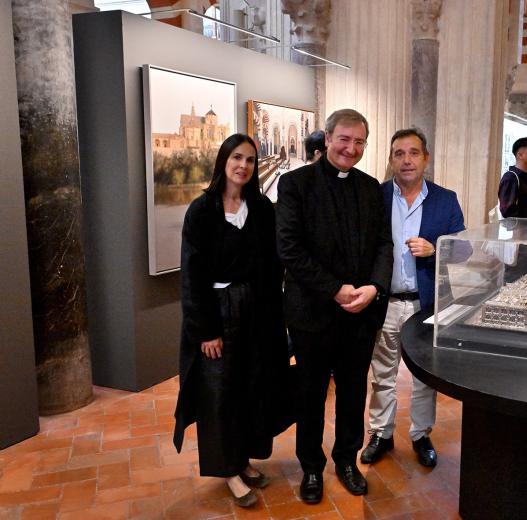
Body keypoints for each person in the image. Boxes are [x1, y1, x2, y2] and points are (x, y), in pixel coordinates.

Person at [276, 109, 393, 504]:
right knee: (310, 393)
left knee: (352, 390)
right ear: (326, 138)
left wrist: (374, 288)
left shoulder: (371, 187)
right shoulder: (295, 185)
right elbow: (289, 248)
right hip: (313, 312)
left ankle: (346, 460)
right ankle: (311, 466)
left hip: (359, 314)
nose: (351, 148)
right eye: (344, 139)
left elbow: (383, 245)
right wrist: (336, 290)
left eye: (360, 141)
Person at [173, 134, 291, 508]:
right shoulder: (202, 210)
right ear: (223, 161)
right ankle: (227, 470)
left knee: (251, 387)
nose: (243, 165)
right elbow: (192, 274)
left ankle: (243, 460)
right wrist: (205, 330)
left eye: (250, 160)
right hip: (217, 311)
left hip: (257, 312)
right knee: (218, 393)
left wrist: (277, 321)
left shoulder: (261, 208)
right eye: (236, 157)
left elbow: (274, 269)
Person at [360, 128, 465, 469]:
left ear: (426, 158)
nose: (406, 160)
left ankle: (421, 434)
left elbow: (462, 252)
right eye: (398, 153)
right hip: (385, 302)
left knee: (423, 377)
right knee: (382, 375)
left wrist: (436, 249)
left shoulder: (445, 199)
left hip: (425, 304)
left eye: (413, 153)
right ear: (390, 159)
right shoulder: (374, 197)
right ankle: (381, 434)